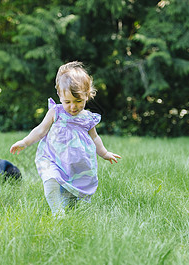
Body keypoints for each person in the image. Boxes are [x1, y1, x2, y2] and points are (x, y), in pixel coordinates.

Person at [10, 61, 121, 216]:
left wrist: (104, 153)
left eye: (78, 101)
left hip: (77, 164)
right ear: (59, 95)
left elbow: (95, 138)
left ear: (87, 96)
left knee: (73, 197)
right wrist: (25, 142)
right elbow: (41, 130)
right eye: (67, 101)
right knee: (50, 180)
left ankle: (69, 204)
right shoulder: (56, 112)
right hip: (53, 158)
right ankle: (58, 214)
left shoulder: (87, 118)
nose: (73, 107)